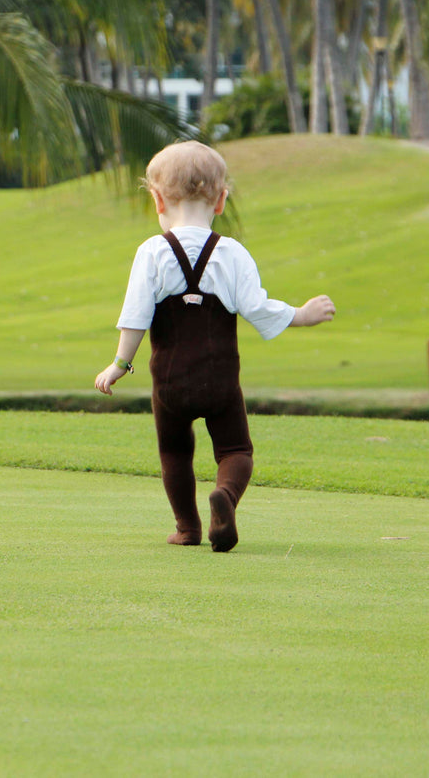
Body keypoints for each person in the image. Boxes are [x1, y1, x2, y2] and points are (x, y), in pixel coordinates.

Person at [94, 141, 335, 552]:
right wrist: (301, 313)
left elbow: (134, 317)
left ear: (156, 199)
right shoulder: (232, 253)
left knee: (174, 451)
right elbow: (257, 308)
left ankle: (187, 528)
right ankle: (225, 494)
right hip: (220, 379)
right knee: (236, 448)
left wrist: (119, 364)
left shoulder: (152, 252)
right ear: (221, 200)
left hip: (169, 381)